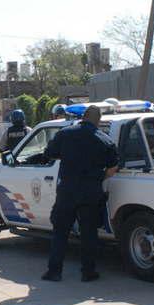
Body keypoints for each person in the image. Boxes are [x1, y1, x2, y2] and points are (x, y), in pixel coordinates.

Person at [41, 106, 119, 283]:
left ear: (83, 117)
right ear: (98, 120)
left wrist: (69, 157)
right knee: (89, 234)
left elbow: (49, 153)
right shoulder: (104, 140)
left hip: (67, 191)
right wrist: (101, 176)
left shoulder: (65, 133)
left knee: (60, 232)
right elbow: (113, 167)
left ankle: (54, 272)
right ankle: (88, 272)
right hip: (91, 192)